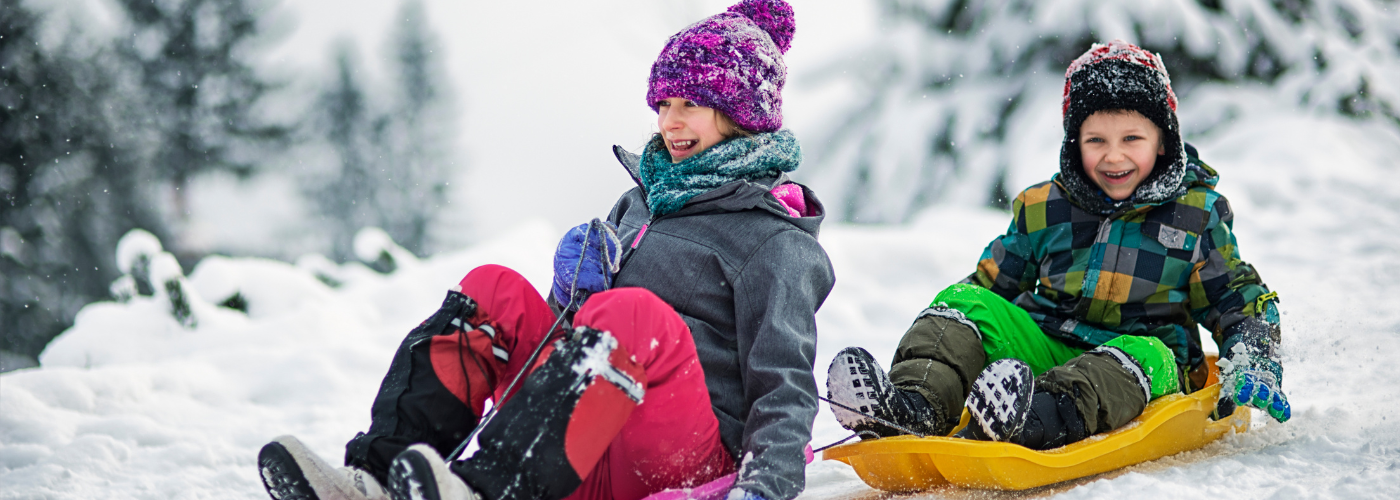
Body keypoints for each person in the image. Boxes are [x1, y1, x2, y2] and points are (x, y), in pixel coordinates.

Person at [256, 1, 834, 500]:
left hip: (681, 458)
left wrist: (765, 487)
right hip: (582, 441)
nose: (669, 123)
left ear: (740, 114)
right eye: (662, 105)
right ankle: (375, 478)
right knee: (493, 289)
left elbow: (784, 388)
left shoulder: (774, 240)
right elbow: (582, 329)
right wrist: (571, 294)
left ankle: (492, 489)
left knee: (634, 314)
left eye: (689, 105)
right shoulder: (639, 204)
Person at [824, 40, 1289, 451]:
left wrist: (1254, 354)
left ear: (1163, 142)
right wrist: (959, 332)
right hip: (1051, 345)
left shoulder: (1194, 215)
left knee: (1138, 355)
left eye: (1132, 138)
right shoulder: (1045, 207)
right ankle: (912, 407)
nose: (1114, 155)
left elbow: (1237, 299)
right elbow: (992, 287)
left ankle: (1027, 420)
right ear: (1074, 143)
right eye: (1096, 140)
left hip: (1148, 367)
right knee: (963, 302)